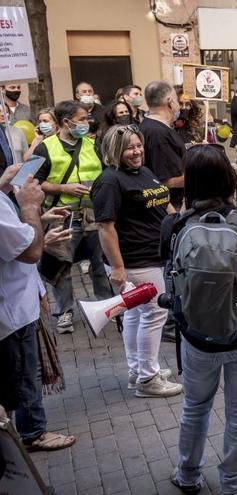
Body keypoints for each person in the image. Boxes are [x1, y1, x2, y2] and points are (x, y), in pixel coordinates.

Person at [166, 145, 237, 495]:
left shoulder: (173, 226)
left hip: (195, 335)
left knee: (195, 406)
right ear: (230, 181)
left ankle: (188, 475)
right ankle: (232, 481)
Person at [91, 124, 182, 397]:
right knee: (155, 314)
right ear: (114, 151)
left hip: (151, 255)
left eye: (138, 145)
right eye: (129, 148)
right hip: (135, 260)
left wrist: (176, 220)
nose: (137, 151)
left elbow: (162, 201)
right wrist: (117, 267)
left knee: (134, 314)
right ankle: (148, 379)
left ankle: (138, 370)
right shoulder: (109, 181)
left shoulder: (143, 172)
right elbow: (106, 228)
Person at [0, 164, 76, 452]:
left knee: (25, 372)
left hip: (19, 302)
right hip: (11, 312)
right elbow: (29, 251)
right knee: (23, 375)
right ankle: (30, 434)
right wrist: (31, 208)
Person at [33, 100, 113, 333]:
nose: (86, 123)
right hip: (62, 215)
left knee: (100, 263)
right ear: (66, 122)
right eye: (81, 119)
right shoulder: (45, 148)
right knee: (62, 265)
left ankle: (106, 306)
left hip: (93, 216)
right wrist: (63, 189)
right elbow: (33, 181)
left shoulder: (92, 144)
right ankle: (65, 311)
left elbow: (106, 174)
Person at [140, 81, 186, 209]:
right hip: (170, 205)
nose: (179, 106)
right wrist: (200, 174)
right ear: (170, 101)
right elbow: (166, 180)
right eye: (177, 100)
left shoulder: (155, 127)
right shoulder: (157, 133)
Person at [0, 103, 28, 171]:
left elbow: (26, 156)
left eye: (6, 111)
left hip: (17, 177)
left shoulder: (18, 132)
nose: (3, 114)